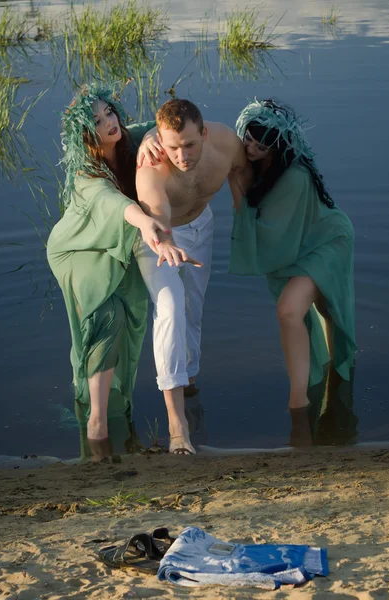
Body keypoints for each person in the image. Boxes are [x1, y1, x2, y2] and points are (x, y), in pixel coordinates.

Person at [47, 84, 168, 462]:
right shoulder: (85, 171)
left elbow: (164, 123)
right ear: (86, 134)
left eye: (109, 113)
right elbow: (112, 202)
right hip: (78, 249)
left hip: (118, 244)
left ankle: (107, 408)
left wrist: (150, 136)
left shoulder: (129, 140)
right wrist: (147, 223)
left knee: (128, 317)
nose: (108, 123)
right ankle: (97, 421)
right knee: (106, 317)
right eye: (97, 121)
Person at [135, 98, 249, 455]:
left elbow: (241, 169)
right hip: (160, 237)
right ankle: (176, 424)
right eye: (172, 147)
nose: (181, 156)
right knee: (170, 307)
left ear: (204, 133)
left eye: (189, 145)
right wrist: (166, 245)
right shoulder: (152, 168)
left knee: (193, 310)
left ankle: (189, 380)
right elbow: (156, 220)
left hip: (201, 227)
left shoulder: (226, 142)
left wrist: (239, 205)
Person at [230, 98, 357, 418]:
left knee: (306, 309)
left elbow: (269, 231)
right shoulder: (256, 162)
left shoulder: (294, 175)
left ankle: (301, 400)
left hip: (328, 241)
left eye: (261, 145)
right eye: (248, 139)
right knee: (305, 309)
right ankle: (321, 386)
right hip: (301, 239)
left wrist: (236, 187)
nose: (251, 148)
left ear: (277, 145)